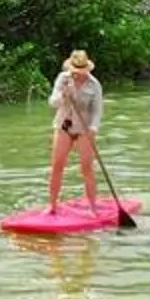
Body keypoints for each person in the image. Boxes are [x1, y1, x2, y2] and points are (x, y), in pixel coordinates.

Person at [46, 48, 105, 212]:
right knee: (57, 165)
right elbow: (53, 102)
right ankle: (52, 205)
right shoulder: (62, 79)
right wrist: (62, 96)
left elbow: (97, 111)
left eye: (82, 71)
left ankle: (93, 206)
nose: (79, 74)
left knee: (86, 167)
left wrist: (93, 129)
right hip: (64, 125)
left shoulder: (94, 85)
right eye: (76, 71)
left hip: (84, 129)